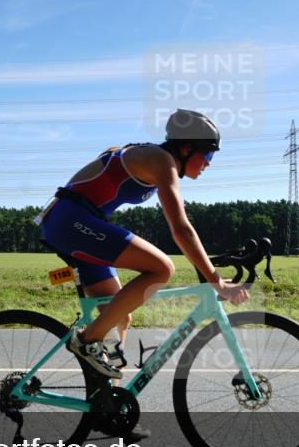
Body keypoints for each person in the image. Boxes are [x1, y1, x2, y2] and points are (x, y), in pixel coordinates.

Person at [37, 109, 250, 380]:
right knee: (162, 268)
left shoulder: (152, 157)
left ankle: (106, 401)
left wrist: (208, 271)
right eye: (208, 155)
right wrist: (216, 281)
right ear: (186, 149)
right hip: (70, 222)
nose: (209, 163)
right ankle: (86, 340)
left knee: (118, 318)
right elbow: (181, 230)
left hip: (75, 222)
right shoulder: (162, 161)